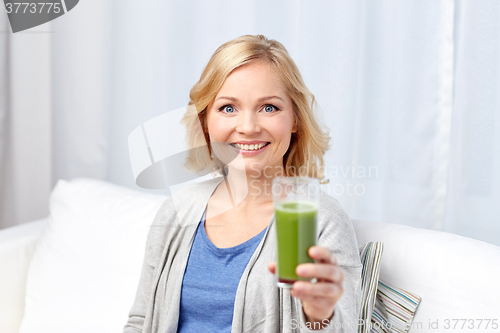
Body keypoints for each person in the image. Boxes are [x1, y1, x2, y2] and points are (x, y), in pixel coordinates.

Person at [123, 35, 362, 333]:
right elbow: (141, 321)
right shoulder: (177, 210)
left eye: (269, 108)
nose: (248, 127)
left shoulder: (319, 219)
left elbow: (343, 325)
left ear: (296, 120)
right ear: (205, 121)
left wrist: (320, 316)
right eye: (227, 108)